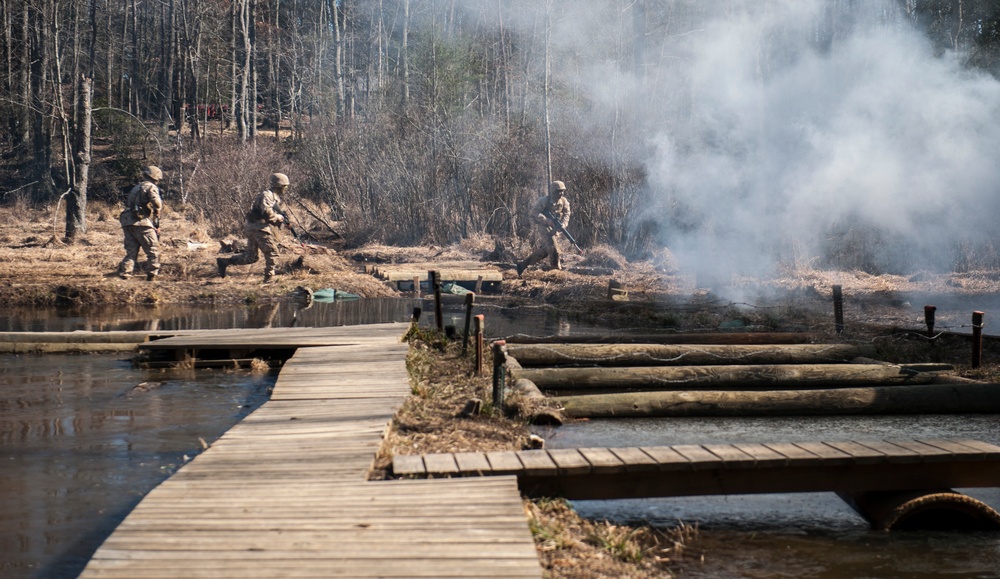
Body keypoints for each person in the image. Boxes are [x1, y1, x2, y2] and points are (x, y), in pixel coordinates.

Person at [217, 172, 291, 283]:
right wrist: (278, 217)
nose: (285, 189)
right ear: (278, 185)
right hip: (258, 227)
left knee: (252, 257)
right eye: (284, 186)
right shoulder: (267, 195)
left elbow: (268, 215)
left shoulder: (273, 197)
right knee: (272, 252)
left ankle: (224, 262)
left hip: (253, 227)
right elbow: (267, 213)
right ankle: (269, 278)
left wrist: (281, 221)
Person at [117, 165, 164, 281]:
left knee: (131, 251)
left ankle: (125, 273)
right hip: (141, 222)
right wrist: (157, 216)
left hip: (127, 221)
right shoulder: (151, 187)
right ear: (156, 177)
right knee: (153, 250)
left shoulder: (136, 188)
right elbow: (157, 204)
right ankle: (152, 275)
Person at [516, 180, 571, 276]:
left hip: (554, 227)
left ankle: (522, 265)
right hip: (543, 226)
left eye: (562, 191)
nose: (560, 193)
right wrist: (546, 220)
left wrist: (563, 224)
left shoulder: (564, 201)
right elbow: (534, 212)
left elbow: (567, 214)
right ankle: (556, 272)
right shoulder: (544, 201)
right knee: (554, 248)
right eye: (558, 191)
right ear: (553, 191)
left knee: (546, 251)